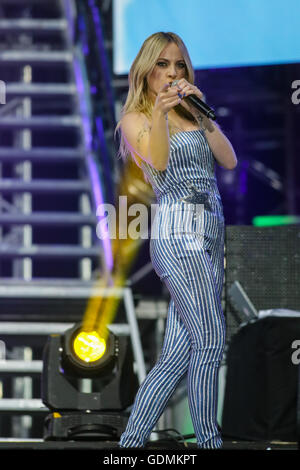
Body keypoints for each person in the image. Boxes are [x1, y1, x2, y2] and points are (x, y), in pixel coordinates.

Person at [115, 31, 237, 449]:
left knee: (175, 357)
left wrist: (201, 114)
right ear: (146, 70)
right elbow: (161, 160)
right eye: (163, 64)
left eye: (179, 64)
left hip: (210, 229)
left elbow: (228, 158)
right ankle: (208, 442)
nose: (172, 72)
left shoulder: (191, 109)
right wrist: (164, 115)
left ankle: (128, 445)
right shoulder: (137, 117)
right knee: (211, 338)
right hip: (177, 229)